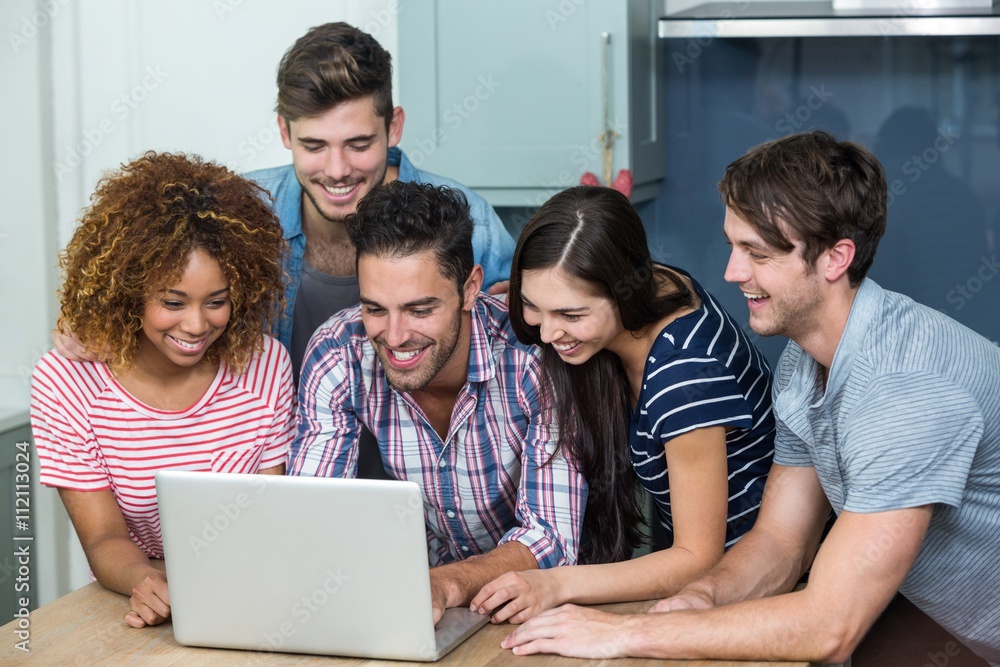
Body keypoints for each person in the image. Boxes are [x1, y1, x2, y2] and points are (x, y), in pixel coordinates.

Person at [501, 132, 1000, 664]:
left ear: (836, 258)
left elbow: (829, 626)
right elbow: (783, 542)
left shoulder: (904, 392)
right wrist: (701, 598)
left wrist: (622, 634)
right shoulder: (806, 359)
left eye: (757, 254)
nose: (731, 273)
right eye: (733, 245)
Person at [470, 185, 775, 624]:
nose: (548, 334)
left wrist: (554, 584)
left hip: (752, 586)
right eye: (534, 306)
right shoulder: (660, 282)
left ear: (623, 292)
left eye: (571, 315)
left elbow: (697, 557)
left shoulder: (682, 374)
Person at [289, 180, 586, 624]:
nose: (393, 337)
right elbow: (311, 513)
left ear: (470, 289)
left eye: (420, 309)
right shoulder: (338, 350)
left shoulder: (534, 357)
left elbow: (551, 538)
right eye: (374, 308)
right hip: (425, 602)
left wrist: (444, 583)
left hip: (548, 604)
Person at [31, 153, 295, 630]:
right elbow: (104, 539)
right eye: (173, 302)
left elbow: (271, 519)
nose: (196, 325)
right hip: (135, 605)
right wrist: (145, 581)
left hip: (249, 597)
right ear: (129, 291)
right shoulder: (66, 383)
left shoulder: (266, 366)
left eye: (217, 302)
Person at [246, 21, 515, 379]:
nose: (337, 170)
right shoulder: (243, 214)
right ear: (284, 132)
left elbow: (520, 356)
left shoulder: (472, 222)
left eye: (358, 145)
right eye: (314, 146)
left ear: (394, 127)